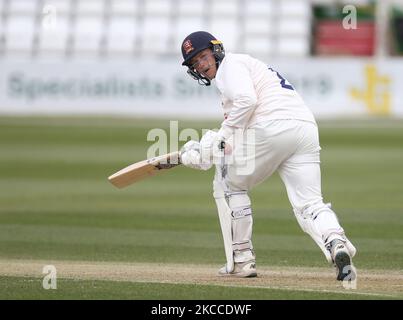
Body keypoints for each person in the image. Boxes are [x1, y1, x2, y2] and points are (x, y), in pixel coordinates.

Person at [179, 31, 356, 280]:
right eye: (195, 63)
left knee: (230, 183)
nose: (202, 65)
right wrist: (206, 153)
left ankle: (241, 260)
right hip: (304, 128)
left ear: (216, 51)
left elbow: (247, 102)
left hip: (271, 126)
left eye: (204, 57)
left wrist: (215, 143)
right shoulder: (242, 70)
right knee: (310, 204)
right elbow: (234, 138)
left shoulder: (231, 67)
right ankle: (336, 241)